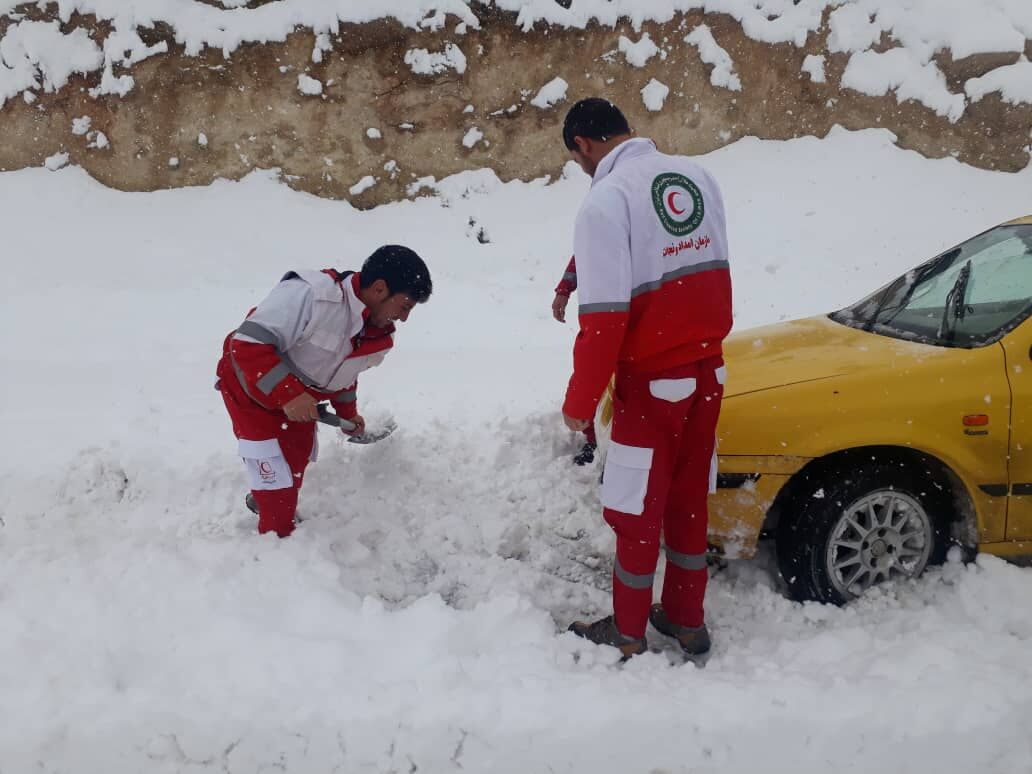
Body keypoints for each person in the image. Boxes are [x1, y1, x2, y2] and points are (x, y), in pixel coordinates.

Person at [559, 98, 733, 659]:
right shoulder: (697, 176)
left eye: (576, 159)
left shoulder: (607, 200)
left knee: (635, 511)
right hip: (708, 373)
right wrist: (569, 279)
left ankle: (628, 632)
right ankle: (686, 620)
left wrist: (579, 401)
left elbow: (605, 320)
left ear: (583, 146)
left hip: (653, 383)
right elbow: (667, 256)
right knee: (687, 501)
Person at [215, 245, 432, 537]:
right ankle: (275, 545)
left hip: (298, 396)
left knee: (295, 460)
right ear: (380, 289)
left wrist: (349, 416)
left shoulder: (377, 334)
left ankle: (266, 499)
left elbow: (341, 378)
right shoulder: (313, 296)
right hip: (248, 386)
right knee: (276, 482)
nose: (404, 318)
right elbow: (246, 344)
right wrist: (288, 393)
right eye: (404, 306)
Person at [552, 255, 598, 465]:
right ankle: (595, 439)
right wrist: (564, 289)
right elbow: (582, 253)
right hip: (602, 312)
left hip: (638, 312)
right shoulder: (599, 225)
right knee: (593, 375)